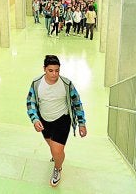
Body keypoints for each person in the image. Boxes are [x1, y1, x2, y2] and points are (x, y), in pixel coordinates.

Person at [26, 55, 87, 187]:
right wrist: (35, 119)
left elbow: (77, 102)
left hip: (62, 120)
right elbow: (30, 102)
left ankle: (57, 168)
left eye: (57, 70)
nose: (54, 74)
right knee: (53, 147)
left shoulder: (66, 84)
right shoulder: (36, 83)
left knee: (57, 151)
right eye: (51, 70)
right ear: (44, 69)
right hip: (44, 121)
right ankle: (56, 156)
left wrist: (82, 123)